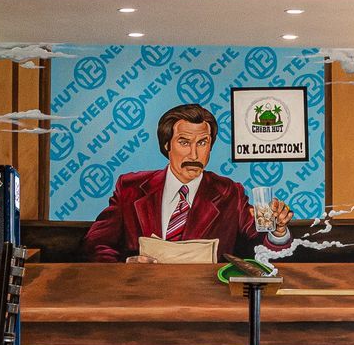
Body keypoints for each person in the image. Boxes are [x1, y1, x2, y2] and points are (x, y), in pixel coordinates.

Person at [83, 103, 295, 263]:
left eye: (202, 143)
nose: (194, 154)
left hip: (208, 304)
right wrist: (126, 264)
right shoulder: (131, 188)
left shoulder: (229, 192)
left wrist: (278, 232)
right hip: (143, 295)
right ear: (167, 144)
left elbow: (260, 247)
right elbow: (96, 245)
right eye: (184, 142)